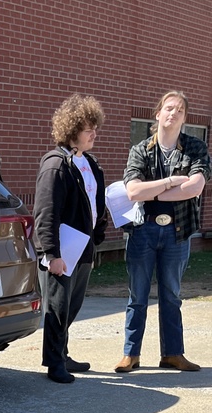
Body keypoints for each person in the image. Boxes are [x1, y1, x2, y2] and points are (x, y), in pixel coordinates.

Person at [116, 90, 211, 373]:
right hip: (142, 231)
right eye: (169, 108)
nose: (173, 113)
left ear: (184, 118)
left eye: (180, 110)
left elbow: (195, 187)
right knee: (138, 296)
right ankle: (130, 354)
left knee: (171, 294)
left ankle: (173, 354)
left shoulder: (195, 148)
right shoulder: (140, 150)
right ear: (158, 114)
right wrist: (170, 182)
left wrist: (152, 191)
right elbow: (132, 190)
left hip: (177, 233)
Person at [34, 94, 107, 384]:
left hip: (83, 249)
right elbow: (46, 212)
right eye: (89, 128)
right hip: (62, 251)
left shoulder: (88, 163)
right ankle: (54, 363)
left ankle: (62, 353)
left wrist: (98, 235)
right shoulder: (56, 165)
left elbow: (95, 204)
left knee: (72, 306)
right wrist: (51, 253)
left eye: (95, 128)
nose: (94, 133)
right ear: (72, 129)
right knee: (57, 306)